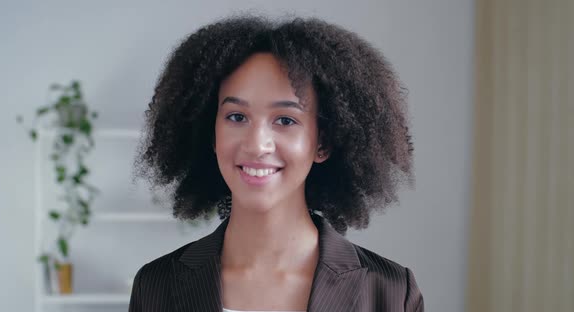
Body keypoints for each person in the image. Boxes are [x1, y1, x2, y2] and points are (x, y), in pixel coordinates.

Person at [130, 15, 423, 312]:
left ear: (323, 142)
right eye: (237, 117)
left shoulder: (391, 293)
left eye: (285, 120)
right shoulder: (157, 286)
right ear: (211, 133)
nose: (257, 145)